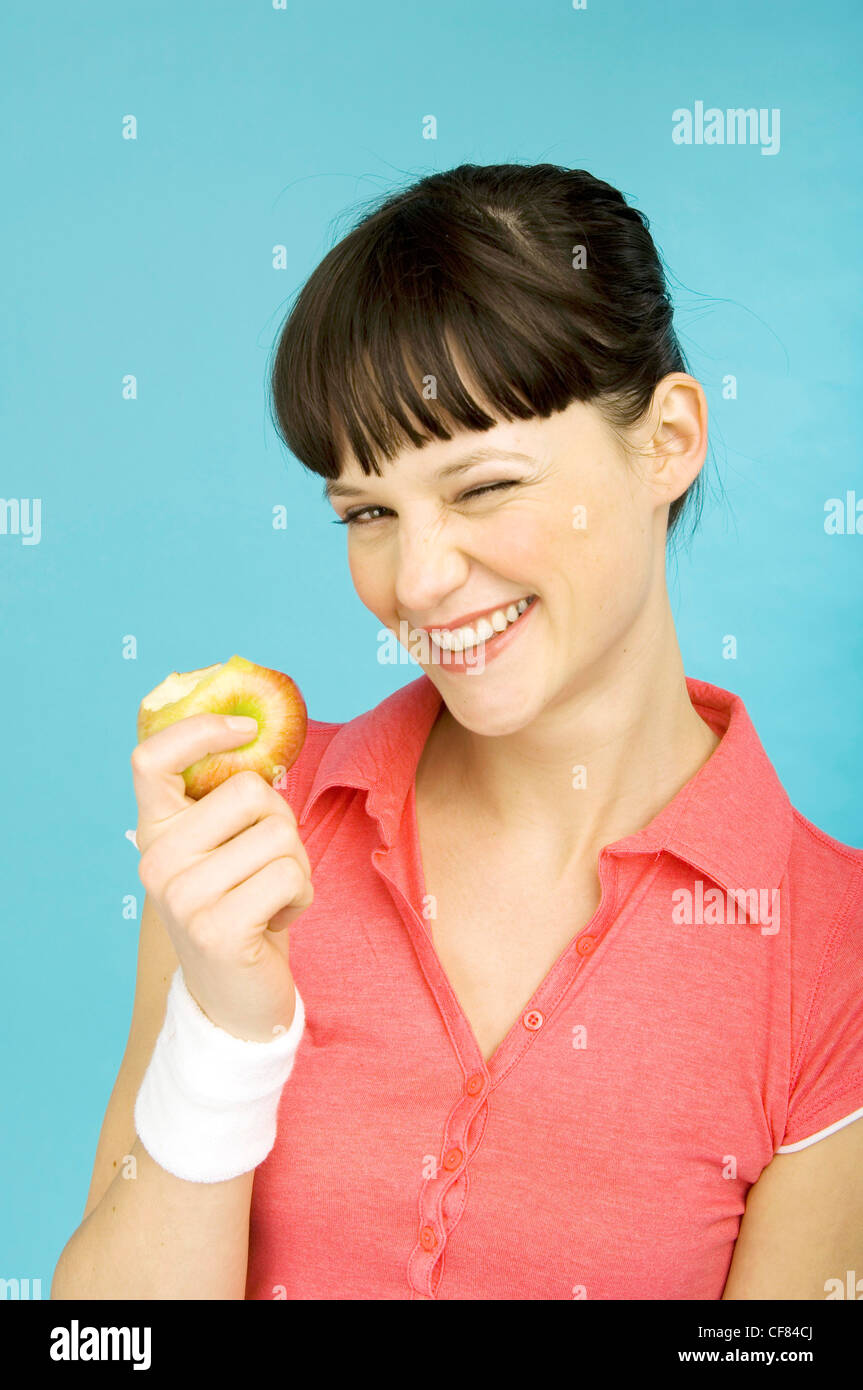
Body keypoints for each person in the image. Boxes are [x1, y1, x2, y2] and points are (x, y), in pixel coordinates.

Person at [52, 164, 863, 1301]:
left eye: (481, 487)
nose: (418, 581)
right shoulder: (253, 831)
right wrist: (227, 1034)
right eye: (369, 513)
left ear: (665, 442)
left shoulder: (834, 957)